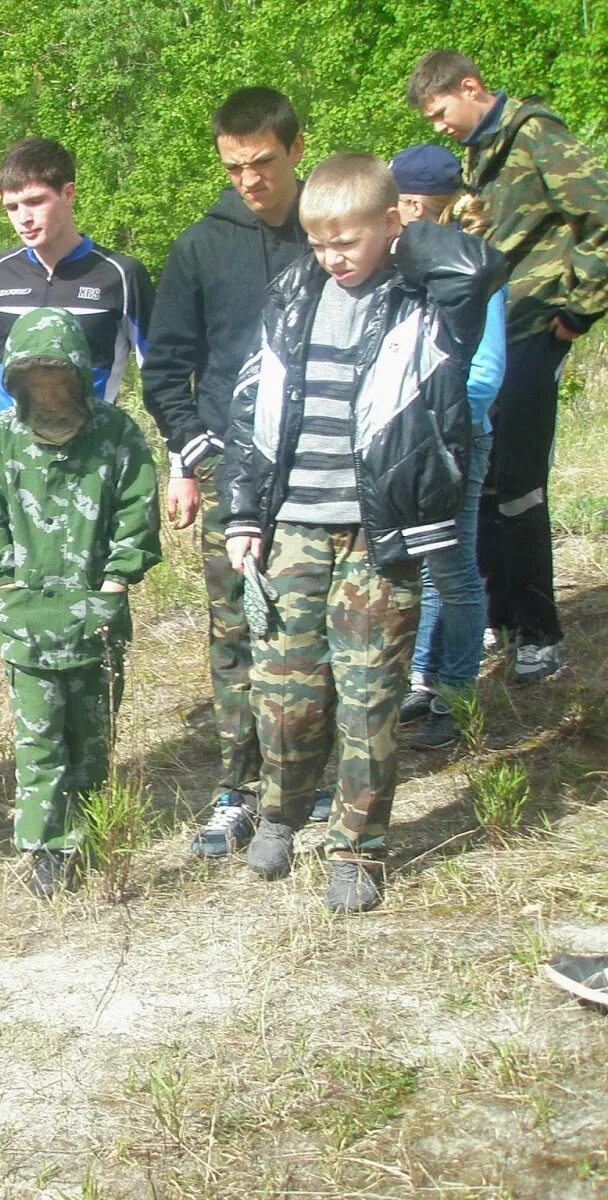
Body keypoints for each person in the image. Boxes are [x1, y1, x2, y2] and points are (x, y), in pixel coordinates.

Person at [224, 153, 504, 913]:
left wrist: (406, 236)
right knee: (285, 696)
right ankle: (281, 813)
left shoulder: (427, 302)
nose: (333, 258)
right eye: (319, 242)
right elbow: (250, 410)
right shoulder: (292, 295)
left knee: (369, 698)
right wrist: (244, 515)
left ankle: (357, 847)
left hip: (381, 536)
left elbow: (479, 267)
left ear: (390, 223)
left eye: (347, 241)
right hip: (291, 530)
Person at [0, 138, 152, 819]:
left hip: (91, 478)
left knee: (90, 624)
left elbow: (159, 368)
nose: (24, 217)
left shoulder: (119, 274)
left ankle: (85, 778)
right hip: (9, 476)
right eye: (11, 207)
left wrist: (181, 464)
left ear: (68, 193)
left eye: (35, 201)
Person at [140, 87, 329, 858]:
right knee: (237, 630)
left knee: (317, 629)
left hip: (324, 467)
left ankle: (310, 779)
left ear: (296, 148)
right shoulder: (199, 247)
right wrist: (201, 453)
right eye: (233, 166)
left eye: (263, 162)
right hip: (235, 473)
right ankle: (237, 788)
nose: (249, 179)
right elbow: (166, 369)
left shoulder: (332, 230)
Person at [408, 50, 608, 683]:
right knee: (486, 482)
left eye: (441, 111)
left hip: (532, 331)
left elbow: (600, 214)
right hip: (492, 334)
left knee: (518, 486)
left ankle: (538, 633)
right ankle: (499, 618)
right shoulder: (482, 151)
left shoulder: (535, 134)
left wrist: (578, 311)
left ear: (471, 87)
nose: (439, 126)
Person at [0, 309, 161, 896]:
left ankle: (95, 832)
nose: (47, 390)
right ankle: (47, 846)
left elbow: (137, 508)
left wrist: (116, 581)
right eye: (34, 380)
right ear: (16, 382)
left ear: (76, 374)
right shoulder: (1, 436)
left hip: (97, 615)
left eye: (57, 377)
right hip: (27, 618)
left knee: (92, 736)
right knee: (39, 740)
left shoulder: (115, 432)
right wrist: (3, 579)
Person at [388, 145, 508, 751]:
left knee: (455, 570)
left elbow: (486, 374)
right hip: (415, 439)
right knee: (431, 564)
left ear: (415, 206)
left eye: (394, 204)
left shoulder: (471, 265)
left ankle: (456, 696)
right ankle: (424, 680)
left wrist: (436, 411)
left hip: (459, 437)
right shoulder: (408, 267)